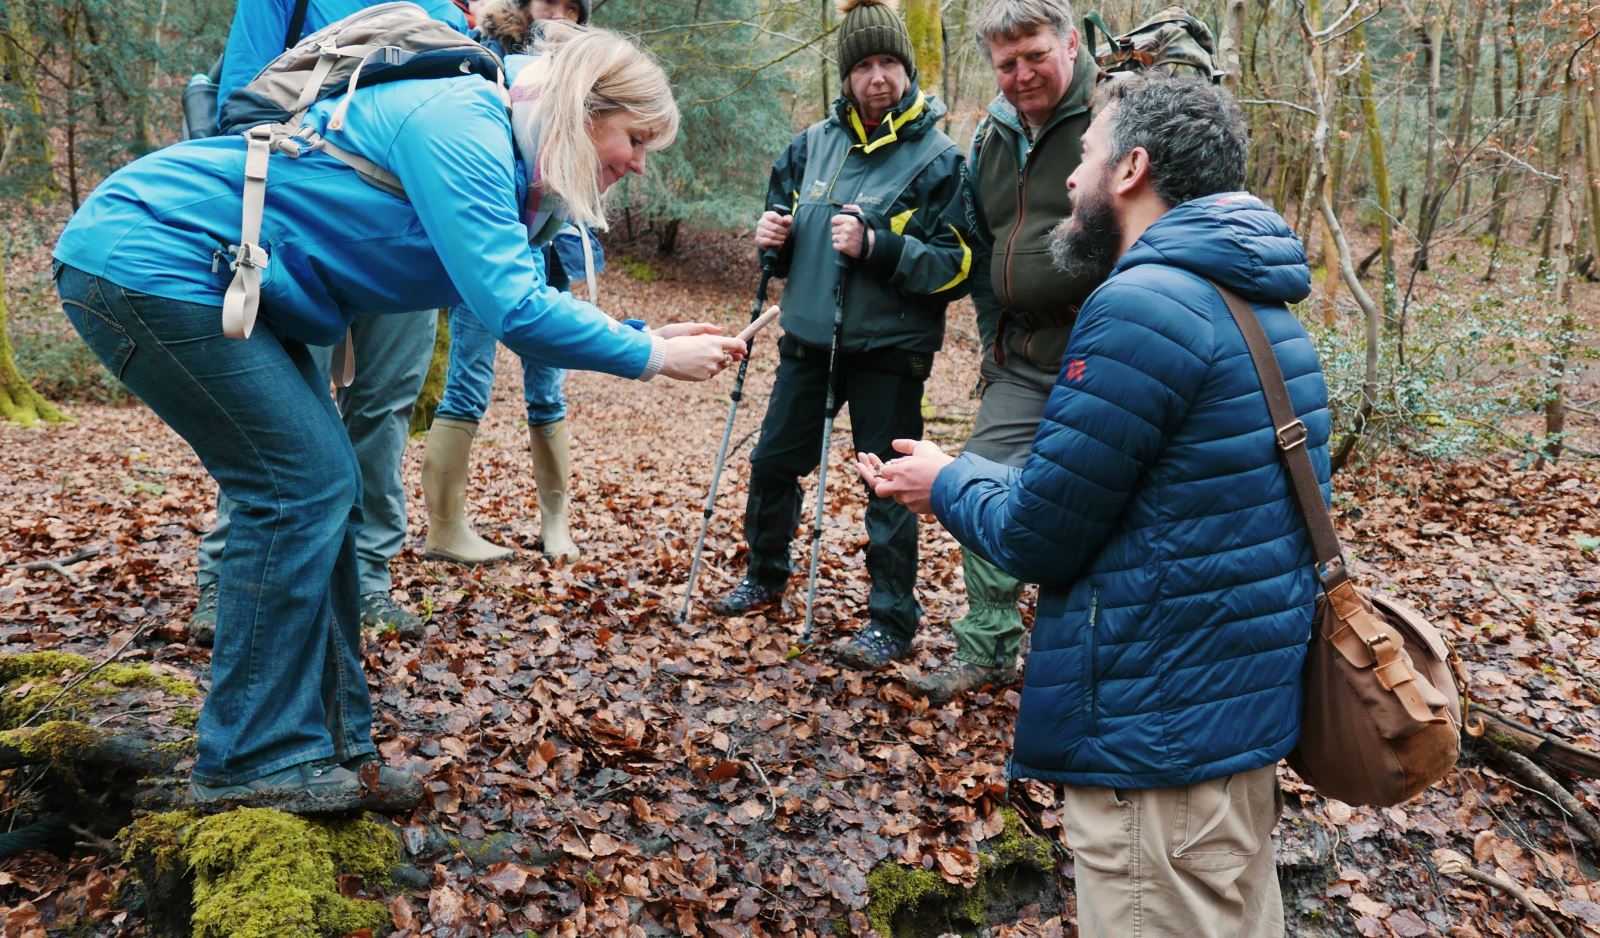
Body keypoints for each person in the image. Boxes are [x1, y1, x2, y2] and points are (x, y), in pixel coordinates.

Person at [53, 22, 746, 814]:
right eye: (634, 139)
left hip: (217, 278)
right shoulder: (463, 122)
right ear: (586, 109)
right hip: (153, 258)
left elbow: (516, 286)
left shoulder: (506, 147)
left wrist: (646, 335)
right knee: (298, 487)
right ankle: (249, 758)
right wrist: (650, 359)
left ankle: (329, 745)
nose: (635, 163)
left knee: (327, 492)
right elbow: (512, 307)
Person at [859, 72, 1331, 936]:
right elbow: (1125, 507)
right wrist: (970, 473)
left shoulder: (1140, 307)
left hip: (1157, 756)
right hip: (1231, 732)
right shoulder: (1258, 302)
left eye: (1084, 157)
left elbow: (1041, 535)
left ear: (1131, 169)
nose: (1070, 180)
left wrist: (947, 482)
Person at [190, 0, 473, 646]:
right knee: (280, 404)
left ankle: (365, 579)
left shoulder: (449, 11)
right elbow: (243, 98)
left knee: (384, 406)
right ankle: (229, 581)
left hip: (408, 230)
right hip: (299, 223)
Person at [710, 0, 975, 670]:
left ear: (907, 70)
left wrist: (879, 247)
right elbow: (788, 240)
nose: (878, 77)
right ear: (846, 75)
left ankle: (892, 619)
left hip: (889, 354)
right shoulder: (810, 146)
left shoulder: (941, 160)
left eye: (889, 62)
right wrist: (773, 242)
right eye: (864, 65)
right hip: (806, 344)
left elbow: (959, 265)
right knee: (773, 465)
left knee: (885, 484)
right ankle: (764, 576)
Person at [914, 0, 1104, 704]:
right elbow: (984, 248)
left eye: (1035, 56)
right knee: (980, 484)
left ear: (1071, 42)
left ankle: (1087, 663)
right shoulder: (993, 135)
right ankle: (989, 647)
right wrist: (995, 336)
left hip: (1104, 354)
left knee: (1099, 508)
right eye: (1005, 64)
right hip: (1021, 353)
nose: (1021, 76)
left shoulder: (1114, 117)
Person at [422, 0, 597, 566]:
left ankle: (556, 524)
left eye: (574, 8)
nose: (562, 15)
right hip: (487, 252)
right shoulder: (486, 56)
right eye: (552, 3)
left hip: (548, 258)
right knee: (466, 384)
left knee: (547, 392)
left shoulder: (588, 73)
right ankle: (446, 528)